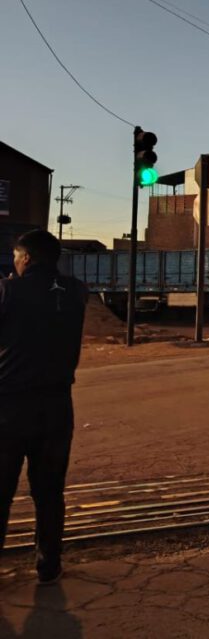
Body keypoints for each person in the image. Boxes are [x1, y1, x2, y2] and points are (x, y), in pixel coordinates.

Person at [0, 230, 87, 584]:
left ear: (28, 258)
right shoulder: (77, 292)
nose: (15, 263)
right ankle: (48, 565)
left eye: (18, 257)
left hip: (9, 407)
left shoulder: (7, 291)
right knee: (50, 491)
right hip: (57, 406)